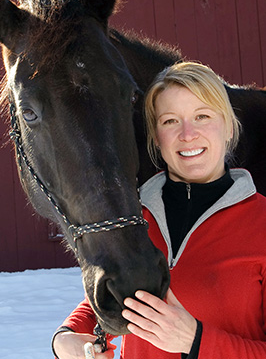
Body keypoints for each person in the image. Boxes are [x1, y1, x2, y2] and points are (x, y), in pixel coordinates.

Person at [52, 61, 266, 359]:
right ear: (156, 136)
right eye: (170, 121)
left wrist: (196, 341)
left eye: (202, 116)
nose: (187, 134)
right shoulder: (134, 217)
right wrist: (67, 336)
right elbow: (112, 287)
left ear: (228, 126)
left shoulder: (261, 224)